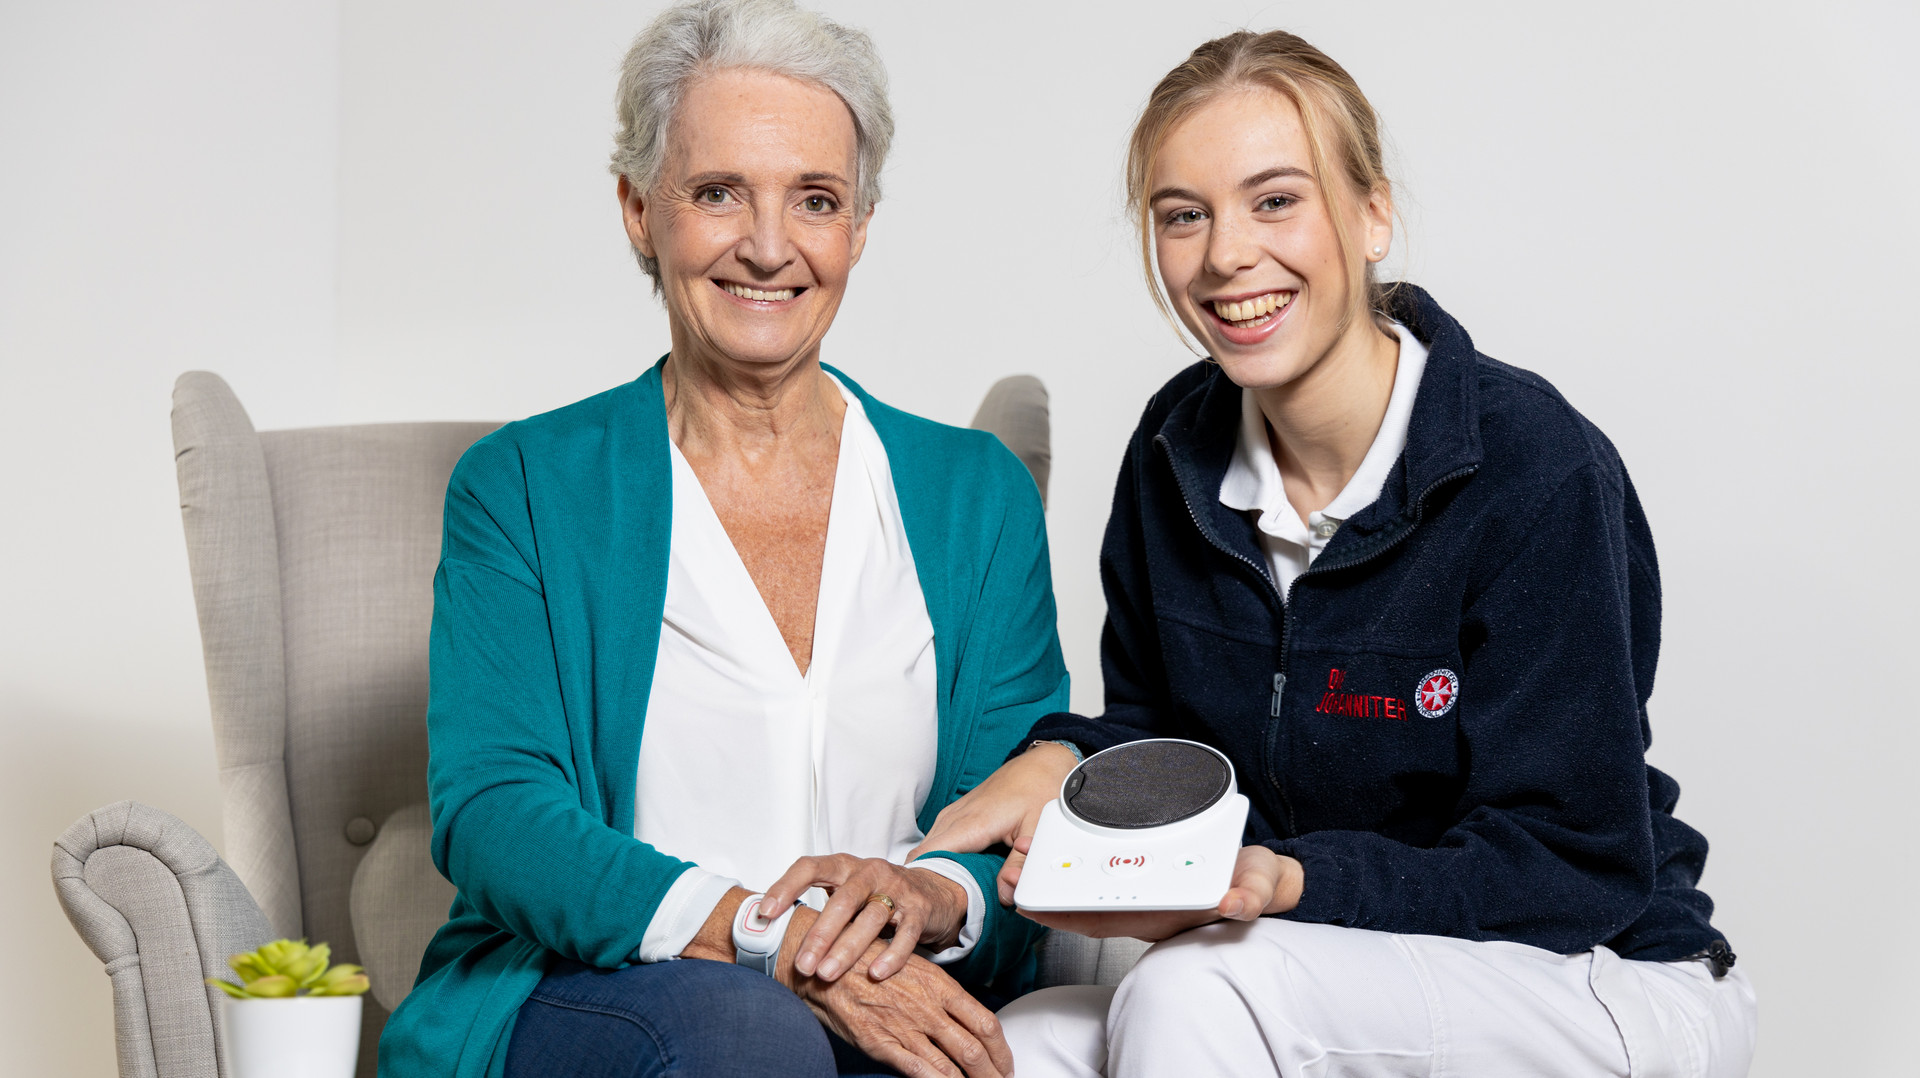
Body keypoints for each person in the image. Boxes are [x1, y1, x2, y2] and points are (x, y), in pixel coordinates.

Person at [900, 28, 1759, 1078]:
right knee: (1011, 1046)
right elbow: (1171, 738)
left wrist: (1283, 882)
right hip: (1328, 954)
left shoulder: (1536, 469)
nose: (1225, 255)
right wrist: (1066, 758)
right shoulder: (1174, 453)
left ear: (1371, 215)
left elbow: (1572, 864)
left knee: (1196, 987)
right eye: (1184, 216)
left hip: (1602, 971)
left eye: (1275, 201)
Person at [376, 3, 1063, 1076]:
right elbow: (496, 813)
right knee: (753, 1034)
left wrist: (929, 898)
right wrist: (770, 936)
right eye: (718, 192)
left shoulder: (977, 496)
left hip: (896, 996)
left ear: (862, 227)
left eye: (816, 200)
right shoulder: (522, 485)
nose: (770, 245)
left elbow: (1021, 820)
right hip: (600, 993)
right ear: (638, 210)